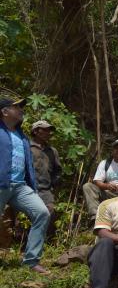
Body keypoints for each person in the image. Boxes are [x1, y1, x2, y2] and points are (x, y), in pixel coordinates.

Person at [0, 97, 50, 274]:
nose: (21, 110)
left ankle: (31, 261)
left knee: (42, 213)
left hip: (20, 186)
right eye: (16, 107)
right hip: (1, 184)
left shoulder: (22, 136)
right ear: (4, 112)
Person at [29, 120, 61, 230]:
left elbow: (57, 171)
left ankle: (45, 240)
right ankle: (20, 241)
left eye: (49, 130)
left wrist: (54, 185)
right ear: (36, 131)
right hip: (28, 188)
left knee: (50, 211)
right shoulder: (27, 147)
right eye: (45, 130)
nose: (48, 133)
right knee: (23, 216)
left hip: (46, 190)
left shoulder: (52, 151)